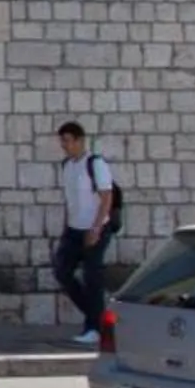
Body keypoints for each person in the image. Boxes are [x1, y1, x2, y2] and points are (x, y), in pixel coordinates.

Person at [50, 120, 119, 344]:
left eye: (68, 141)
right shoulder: (67, 166)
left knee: (92, 276)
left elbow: (106, 196)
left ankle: (95, 328)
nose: (65, 146)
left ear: (80, 140)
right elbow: (71, 200)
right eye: (62, 142)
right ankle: (96, 314)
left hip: (95, 227)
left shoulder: (95, 163)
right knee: (63, 272)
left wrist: (96, 228)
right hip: (73, 228)